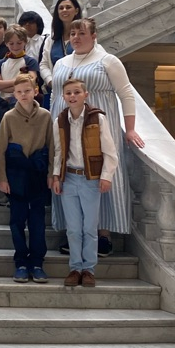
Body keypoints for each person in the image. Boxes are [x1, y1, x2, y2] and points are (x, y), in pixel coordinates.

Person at [50, 18, 144, 255]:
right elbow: (54, 98)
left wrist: (130, 128)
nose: (76, 37)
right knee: (68, 173)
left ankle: (103, 233)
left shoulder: (107, 61)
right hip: (66, 126)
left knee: (98, 173)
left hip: (98, 124)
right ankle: (72, 231)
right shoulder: (61, 63)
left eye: (81, 33)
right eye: (72, 33)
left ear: (94, 36)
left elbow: (126, 94)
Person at [52, 78, 118, 287]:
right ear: (63, 96)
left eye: (77, 92)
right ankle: (75, 268)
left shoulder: (97, 119)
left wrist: (106, 175)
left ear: (85, 95)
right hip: (69, 178)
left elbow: (109, 150)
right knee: (73, 228)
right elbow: (59, 152)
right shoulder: (60, 120)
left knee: (89, 227)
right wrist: (56, 176)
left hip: (90, 178)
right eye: (68, 93)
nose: (72, 96)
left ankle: (88, 269)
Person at [0, 75, 53, 283]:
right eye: (19, 92)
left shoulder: (46, 116)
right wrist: (1, 178)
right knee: (17, 221)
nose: (23, 95)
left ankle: (37, 262)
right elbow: (0, 149)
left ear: (35, 90)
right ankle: (21, 261)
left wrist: (50, 174)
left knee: (37, 221)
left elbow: (52, 147)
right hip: (16, 175)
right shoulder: (9, 117)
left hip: (38, 174)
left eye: (27, 91)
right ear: (14, 94)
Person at [0, 25, 40, 128]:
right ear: (6, 43)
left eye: (19, 43)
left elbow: (31, 82)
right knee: (2, 131)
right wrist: (19, 82)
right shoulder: (1, 62)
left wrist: (3, 86)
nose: (15, 46)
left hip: (22, 103)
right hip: (2, 104)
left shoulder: (30, 62)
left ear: (25, 42)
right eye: (11, 43)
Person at [39, 0, 82, 93]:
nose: (64, 10)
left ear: (76, 11)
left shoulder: (85, 37)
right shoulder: (51, 40)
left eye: (68, 7)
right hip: (56, 90)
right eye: (61, 8)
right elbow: (43, 64)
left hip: (79, 90)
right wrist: (51, 81)